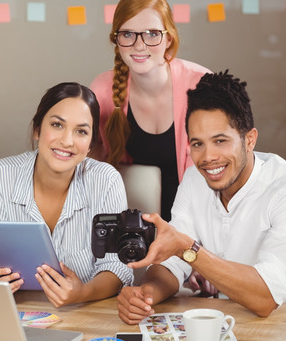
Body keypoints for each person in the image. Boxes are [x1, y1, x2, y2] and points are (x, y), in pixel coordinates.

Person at [116, 71, 286, 322]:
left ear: (249, 140)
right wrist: (145, 296)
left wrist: (188, 248)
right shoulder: (194, 180)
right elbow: (174, 264)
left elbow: (266, 297)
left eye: (220, 140)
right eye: (197, 144)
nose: (208, 157)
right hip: (232, 324)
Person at [0, 82, 133, 307]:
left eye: (81, 131)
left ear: (90, 145)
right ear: (37, 129)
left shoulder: (106, 180)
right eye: (57, 125)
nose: (67, 141)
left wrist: (82, 292)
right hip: (23, 313)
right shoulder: (0, 177)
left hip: (89, 313)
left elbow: (118, 267)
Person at [90, 0, 210, 221]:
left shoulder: (202, 85)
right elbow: (90, 167)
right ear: (116, 39)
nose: (139, 45)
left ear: (168, 39)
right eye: (128, 34)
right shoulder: (102, 90)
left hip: (198, 226)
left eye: (152, 34)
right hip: (131, 230)